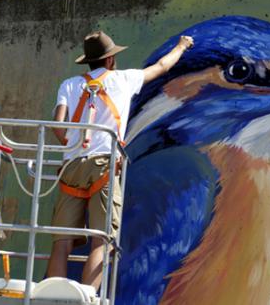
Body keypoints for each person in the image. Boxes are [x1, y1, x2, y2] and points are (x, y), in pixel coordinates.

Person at [46, 30, 194, 290]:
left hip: (72, 167)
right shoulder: (123, 80)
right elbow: (161, 66)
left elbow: (57, 126)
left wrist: (71, 143)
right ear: (111, 60)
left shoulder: (69, 85)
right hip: (103, 164)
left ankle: (50, 297)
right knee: (102, 240)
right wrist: (182, 46)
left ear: (88, 61)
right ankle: (89, 297)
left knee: (62, 242)